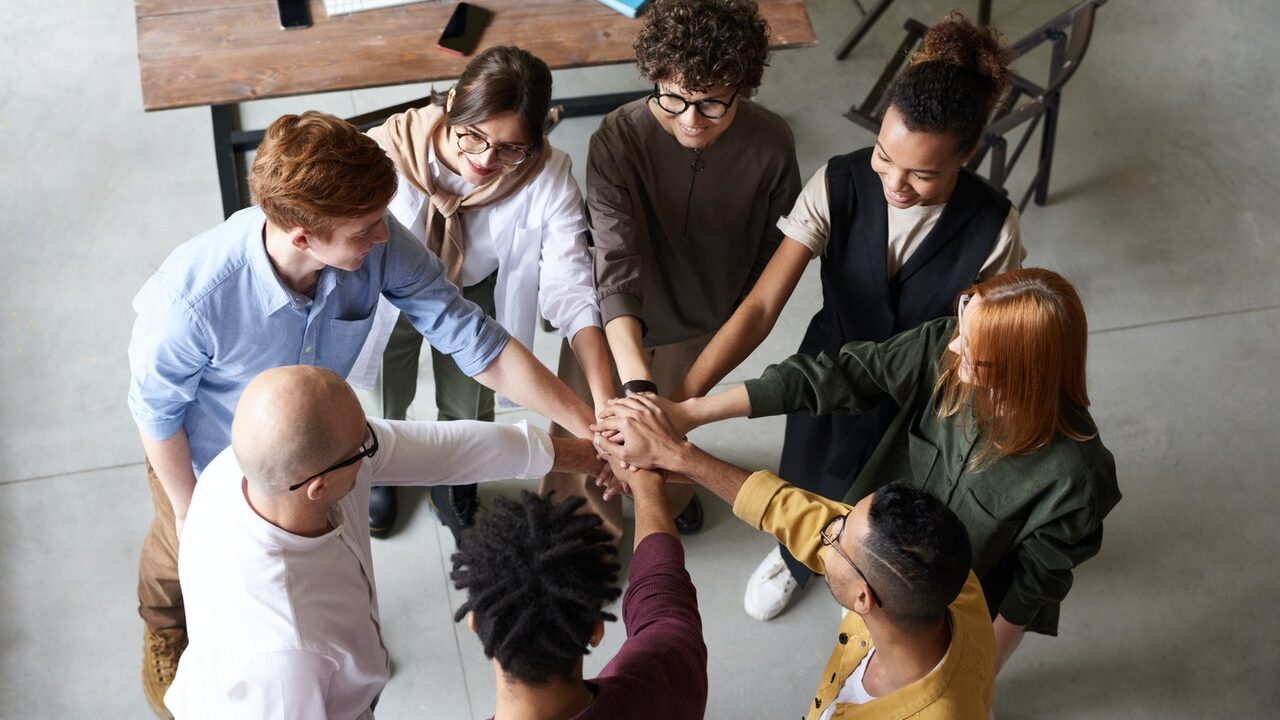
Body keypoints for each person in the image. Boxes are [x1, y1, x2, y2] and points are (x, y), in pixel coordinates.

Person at [127, 111, 596, 717]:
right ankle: (164, 628)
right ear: (300, 235)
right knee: (176, 561)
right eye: (365, 228)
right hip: (204, 459)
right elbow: (155, 413)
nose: (384, 237)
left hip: (324, 444)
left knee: (326, 583)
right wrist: (197, 521)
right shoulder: (190, 302)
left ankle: (348, 654)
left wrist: (590, 427)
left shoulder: (372, 239)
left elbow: (472, 339)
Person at [672, 10, 1026, 621]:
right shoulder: (838, 182)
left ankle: (866, 573)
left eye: (923, 173)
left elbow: (986, 340)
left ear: (966, 157)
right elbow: (760, 307)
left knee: (893, 503)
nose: (895, 183)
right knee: (809, 471)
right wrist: (683, 403)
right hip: (828, 368)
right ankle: (794, 556)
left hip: (921, 390)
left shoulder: (994, 226)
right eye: (885, 156)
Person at [598, 269, 1121, 672]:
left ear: (1025, 375)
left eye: (976, 358)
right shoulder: (949, 344)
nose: (954, 347)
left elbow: (1032, 589)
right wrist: (689, 413)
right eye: (963, 324)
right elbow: (839, 375)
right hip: (867, 545)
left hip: (946, 608)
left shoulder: (1076, 478)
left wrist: (975, 670)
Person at [164, 366, 603, 719]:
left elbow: (445, 450)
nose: (374, 443)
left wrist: (584, 454)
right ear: (317, 487)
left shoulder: (256, 465)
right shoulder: (287, 654)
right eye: (363, 443)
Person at [542, 0, 803, 539]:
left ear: (742, 88)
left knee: (676, 431)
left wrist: (726, 319)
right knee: (596, 427)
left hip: (704, 320)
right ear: (654, 76)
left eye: (711, 105)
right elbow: (613, 262)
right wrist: (635, 384)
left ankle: (673, 494)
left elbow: (770, 255)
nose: (690, 120)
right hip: (616, 320)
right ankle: (586, 528)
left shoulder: (772, 143)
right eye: (674, 98)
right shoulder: (617, 137)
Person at [353, 46, 614, 541]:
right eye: (472, 136)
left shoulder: (546, 174)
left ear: (534, 141)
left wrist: (602, 405)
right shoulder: (387, 149)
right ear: (452, 103)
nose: (485, 160)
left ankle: (456, 478)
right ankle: (384, 462)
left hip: (477, 292)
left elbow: (571, 286)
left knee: (471, 402)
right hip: (392, 292)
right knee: (387, 388)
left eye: (510, 148)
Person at [591, 399, 994, 718]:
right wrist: (682, 459)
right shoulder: (948, 580)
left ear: (862, 599)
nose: (825, 529)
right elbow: (801, 513)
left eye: (836, 538)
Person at [451, 466, 707, 719]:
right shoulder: (670, 668)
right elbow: (663, 594)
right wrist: (646, 484)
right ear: (596, 631)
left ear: (474, 624)